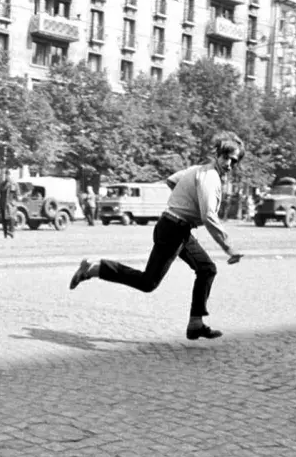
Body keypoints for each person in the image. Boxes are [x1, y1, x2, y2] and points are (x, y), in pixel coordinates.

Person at [69, 131, 246, 341]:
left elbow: (172, 181)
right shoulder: (210, 177)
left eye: (233, 161)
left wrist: (185, 199)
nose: (228, 164)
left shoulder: (197, 169)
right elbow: (208, 215)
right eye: (225, 157)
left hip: (178, 227)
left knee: (207, 269)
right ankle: (95, 268)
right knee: (148, 282)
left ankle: (195, 324)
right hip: (173, 229)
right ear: (217, 154)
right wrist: (229, 248)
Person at [0, 171, 19, 239]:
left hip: (11, 204)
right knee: (4, 219)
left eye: (8, 175)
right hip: (3, 203)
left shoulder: (14, 184)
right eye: (6, 175)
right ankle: (5, 234)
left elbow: (17, 194)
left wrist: (15, 202)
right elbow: (0, 193)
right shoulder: (2, 184)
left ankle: (11, 232)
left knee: (11, 218)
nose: (7, 176)